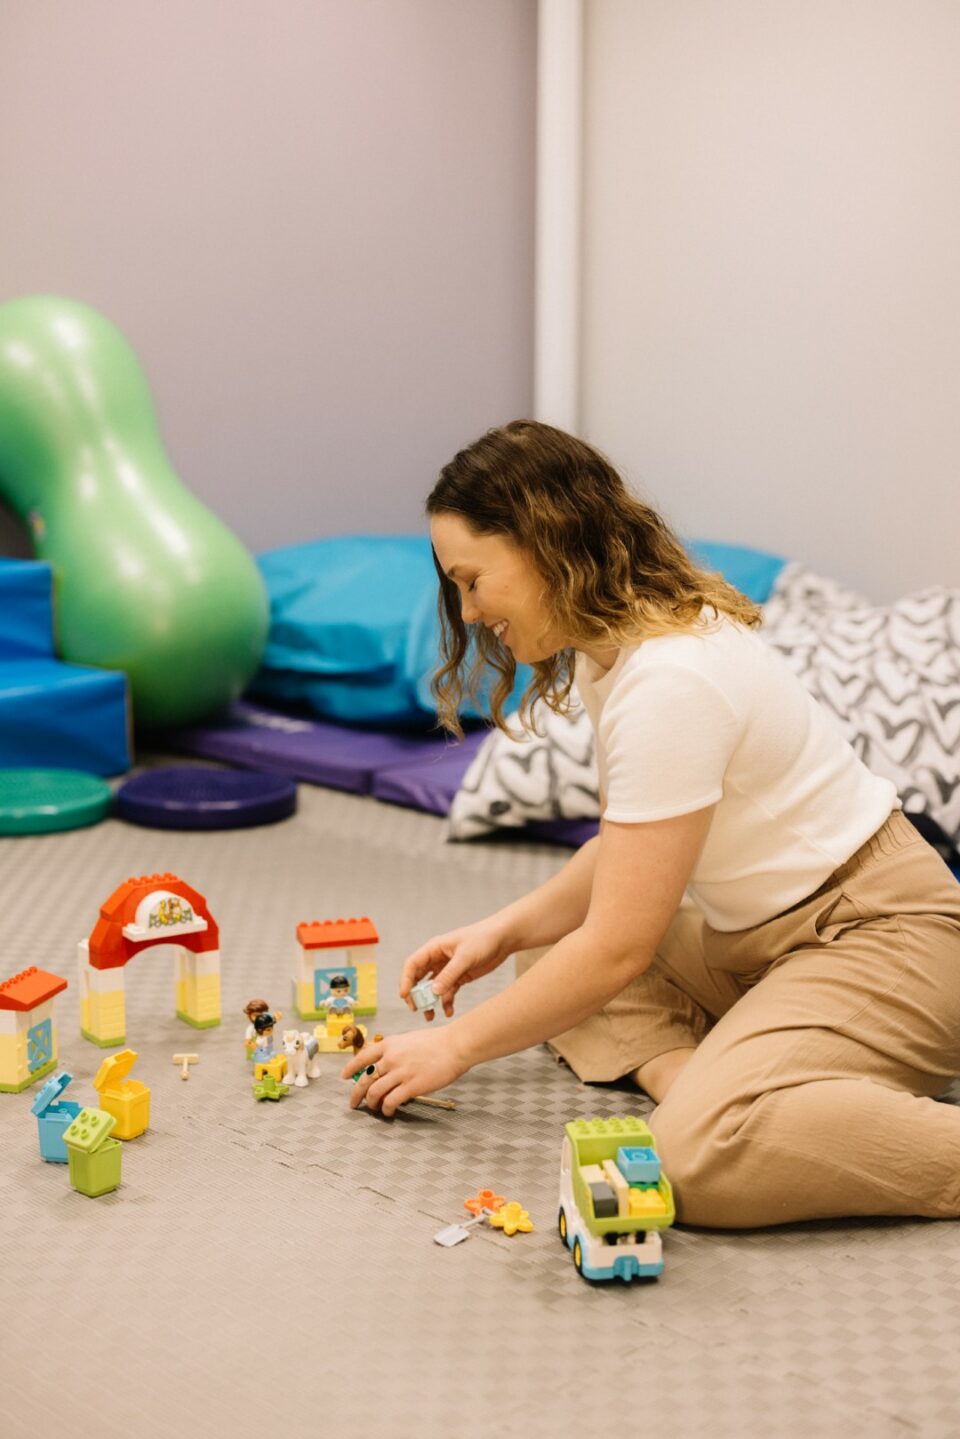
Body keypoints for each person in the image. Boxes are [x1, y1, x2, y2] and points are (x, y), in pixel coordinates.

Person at [342, 420, 960, 1228]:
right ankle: (719, 1078)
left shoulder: (670, 679)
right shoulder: (616, 649)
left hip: (883, 940)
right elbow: (634, 850)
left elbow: (620, 944)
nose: (468, 608)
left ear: (543, 542)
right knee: (545, 962)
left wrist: (452, 1047)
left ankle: (737, 1102)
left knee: (693, 1157)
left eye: (472, 580)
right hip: (763, 942)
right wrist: (502, 928)